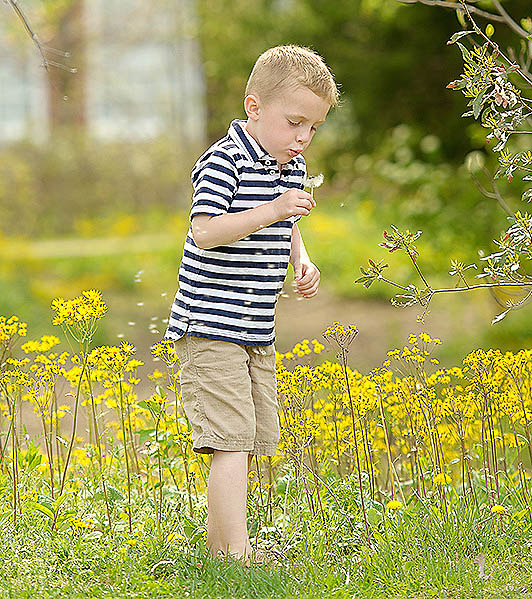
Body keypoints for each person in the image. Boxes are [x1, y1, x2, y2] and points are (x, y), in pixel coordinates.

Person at [164, 44, 339, 564]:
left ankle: (225, 546)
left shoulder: (290, 163)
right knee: (231, 439)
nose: (304, 137)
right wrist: (275, 208)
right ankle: (233, 556)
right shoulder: (224, 162)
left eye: (313, 127)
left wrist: (300, 262)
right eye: (295, 122)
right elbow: (206, 232)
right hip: (211, 325)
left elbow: (288, 226)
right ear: (254, 106)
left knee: (252, 438)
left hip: (254, 329)